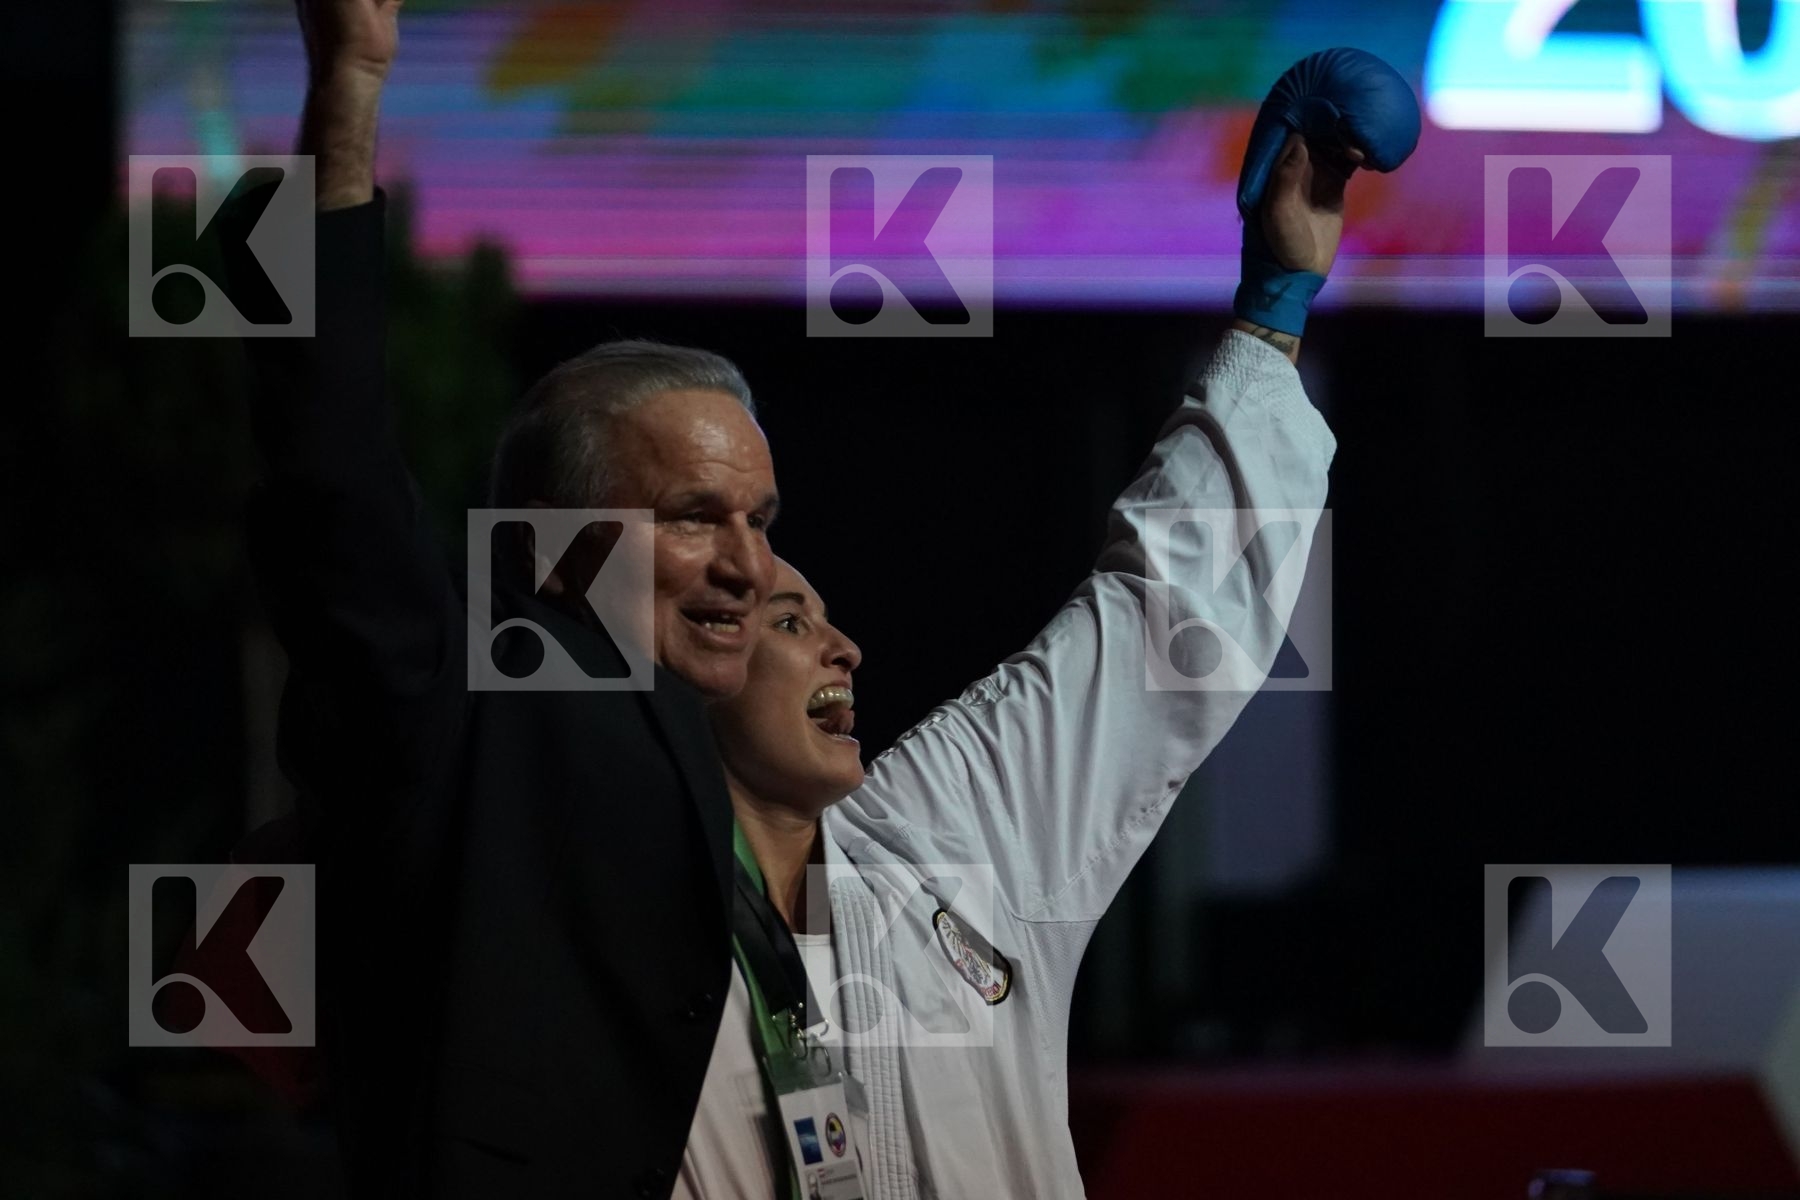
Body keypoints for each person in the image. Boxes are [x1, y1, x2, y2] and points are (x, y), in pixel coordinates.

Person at [680, 50, 1419, 1200]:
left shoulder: (944, 843)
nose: (843, 647)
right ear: (692, 662)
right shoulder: (604, 930)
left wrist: (1274, 304)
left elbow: (1152, 620)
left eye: (823, 613)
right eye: (786, 618)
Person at [237, 2, 781, 1195]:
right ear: (557, 545)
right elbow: (328, 460)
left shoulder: (749, 742)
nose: (748, 565)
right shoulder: (462, 690)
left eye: (761, 521)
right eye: (695, 515)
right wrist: (347, 95)